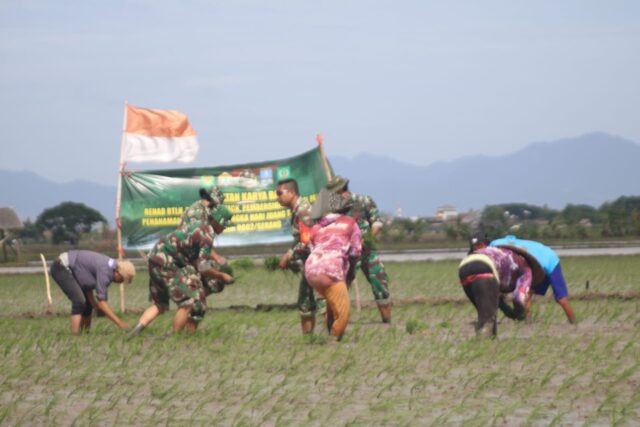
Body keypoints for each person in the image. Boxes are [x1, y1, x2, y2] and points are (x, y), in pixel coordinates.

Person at [129, 206, 234, 337]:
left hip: (155, 257)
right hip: (167, 262)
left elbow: (194, 259)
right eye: (224, 225)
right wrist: (221, 275)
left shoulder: (197, 224)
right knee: (189, 301)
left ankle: (135, 332)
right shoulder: (207, 235)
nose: (224, 229)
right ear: (217, 221)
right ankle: (173, 337)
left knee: (160, 304)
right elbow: (203, 267)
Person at [326, 176, 391, 323]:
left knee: (380, 284)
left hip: (368, 252)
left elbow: (377, 224)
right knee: (338, 287)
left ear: (342, 191)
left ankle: (387, 322)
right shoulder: (331, 208)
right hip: (345, 255)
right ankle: (333, 322)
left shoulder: (364, 201)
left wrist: (364, 240)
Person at [304, 189, 362, 340]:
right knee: (343, 314)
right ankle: (332, 342)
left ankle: (330, 330)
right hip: (332, 269)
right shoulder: (350, 223)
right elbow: (356, 251)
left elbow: (312, 247)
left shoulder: (316, 228)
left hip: (311, 270)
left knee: (331, 301)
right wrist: (350, 269)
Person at [458, 244, 543, 337]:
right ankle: (484, 342)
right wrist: (520, 314)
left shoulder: (504, 253)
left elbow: (497, 298)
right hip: (485, 266)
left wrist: (505, 308)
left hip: (464, 266)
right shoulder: (527, 270)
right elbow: (518, 298)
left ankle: (489, 340)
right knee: (488, 317)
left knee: (484, 311)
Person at [489, 235, 577, 324]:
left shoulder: (494, 246)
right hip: (533, 265)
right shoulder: (495, 246)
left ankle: (573, 322)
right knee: (527, 292)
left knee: (560, 298)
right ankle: (527, 320)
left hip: (549, 261)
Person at [49, 249, 136, 334]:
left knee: (87, 305)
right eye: (123, 279)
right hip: (61, 267)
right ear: (118, 273)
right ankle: (74, 337)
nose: (121, 282)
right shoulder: (106, 272)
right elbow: (102, 303)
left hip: (71, 269)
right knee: (79, 301)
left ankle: (85, 335)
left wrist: (95, 306)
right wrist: (120, 323)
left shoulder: (110, 267)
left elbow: (87, 287)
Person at [275, 178, 318, 334]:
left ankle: (334, 337)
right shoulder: (297, 211)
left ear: (292, 193)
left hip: (319, 263)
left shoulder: (303, 210)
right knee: (305, 301)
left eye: (280, 193)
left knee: (322, 300)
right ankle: (309, 339)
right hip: (310, 263)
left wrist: (289, 255)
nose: (277, 197)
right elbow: (300, 239)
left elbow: (308, 240)